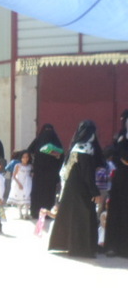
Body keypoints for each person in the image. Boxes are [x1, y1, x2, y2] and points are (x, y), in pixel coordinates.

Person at [48, 120, 104, 258]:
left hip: (72, 188)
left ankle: (68, 245)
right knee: (82, 217)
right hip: (81, 189)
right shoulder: (84, 149)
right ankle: (80, 248)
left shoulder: (77, 147)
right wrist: (95, 192)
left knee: (72, 216)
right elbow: (86, 173)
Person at [104, 109, 128, 257]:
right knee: (119, 212)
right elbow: (121, 158)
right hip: (121, 181)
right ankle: (114, 246)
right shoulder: (120, 138)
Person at [27, 123, 64, 219]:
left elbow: (62, 156)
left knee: (44, 193)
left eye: (49, 131)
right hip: (45, 173)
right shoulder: (51, 141)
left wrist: (57, 155)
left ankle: (41, 212)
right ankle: (39, 212)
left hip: (45, 173)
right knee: (45, 193)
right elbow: (29, 152)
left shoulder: (40, 141)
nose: (48, 134)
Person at [6, 150, 33, 219]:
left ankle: (26, 213)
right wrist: (18, 184)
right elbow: (14, 176)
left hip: (27, 183)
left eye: (27, 157)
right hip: (20, 182)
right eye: (23, 157)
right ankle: (20, 212)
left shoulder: (30, 166)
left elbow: (31, 174)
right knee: (20, 198)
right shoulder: (18, 165)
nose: (25, 159)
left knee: (27, 197)